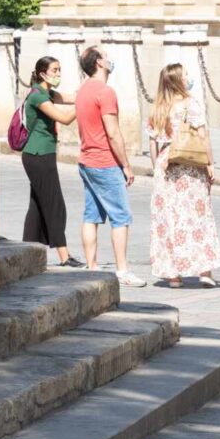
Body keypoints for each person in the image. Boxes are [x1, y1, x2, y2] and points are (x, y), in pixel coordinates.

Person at [75, 46, 146, 287]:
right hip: (105, 162)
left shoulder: (83, 90)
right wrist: (126, 164)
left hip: (86, 160)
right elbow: (113, 132)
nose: (110, 58)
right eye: (105, 56)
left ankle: (91, 266)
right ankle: (123, 270)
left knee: (91, 215)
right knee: (121, 217)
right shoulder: (105, 92)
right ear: (99, 63)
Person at [146, 63, 220, 288]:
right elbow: (203, 136)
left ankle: (173, 275)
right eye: (186, 75)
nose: (189, 78)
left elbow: (152, 143)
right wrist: (210, 162)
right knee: (198, 216)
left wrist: (157, 167)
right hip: (189, 163)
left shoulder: (158, 108)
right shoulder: (191, 105)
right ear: (179, 80)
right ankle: (204, 271)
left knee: (168, 219)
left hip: (166, 163)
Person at [21, 56, 83, 267]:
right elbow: (64, 119)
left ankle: (27, 252)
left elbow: (71, 97)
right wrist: (84, 101)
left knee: (38, 205)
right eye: (54, 70)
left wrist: (87, 91)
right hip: (38, 156)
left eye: (59, 70)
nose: (58, 74)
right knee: (55, 205)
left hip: (41, 155)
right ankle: (64, 256)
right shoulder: (38, 96)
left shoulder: (47, 93)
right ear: (42, 73)